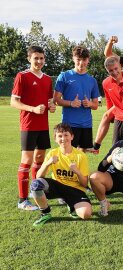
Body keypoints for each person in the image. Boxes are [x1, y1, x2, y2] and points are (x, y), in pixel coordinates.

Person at [10, 45, 57, 211]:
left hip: (43, 126)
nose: (39, 61)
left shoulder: (47, 79)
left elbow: (50, 100)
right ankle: (22, 200)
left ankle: (33, 190)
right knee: (26, 161)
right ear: (29, 59)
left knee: (39, 159)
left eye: (41, 58)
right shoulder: (22, 76)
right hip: (28, 125)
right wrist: (32, 109)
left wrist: (52, 106)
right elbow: (13, 101)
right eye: (35, 58)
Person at [30, 123, 92, 226]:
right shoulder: (52, 153)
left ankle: (71, 204)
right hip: (57, 187)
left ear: (72, 136)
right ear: (55, 139)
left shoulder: (80, 156)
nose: (63, 138)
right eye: (59, 136)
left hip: (75, 189)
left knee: (86, 214)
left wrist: (77, 172)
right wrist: (47, 163)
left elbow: (85, 184)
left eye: (66, 135)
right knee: (36, 185)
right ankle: (45, 213)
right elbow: (38, 177)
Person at [54, 45, 100, 152]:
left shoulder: (92, 81)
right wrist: (71, 103)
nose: (81, 63)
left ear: (88, 60)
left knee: (82, 155)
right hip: (69, 125)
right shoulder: (64, 76)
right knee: (67, 154)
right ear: (73, 58)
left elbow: (96, 105)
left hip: (86, 125)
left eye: (84, 60)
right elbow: (56, 100)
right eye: (78, 59)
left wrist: (89, 104)